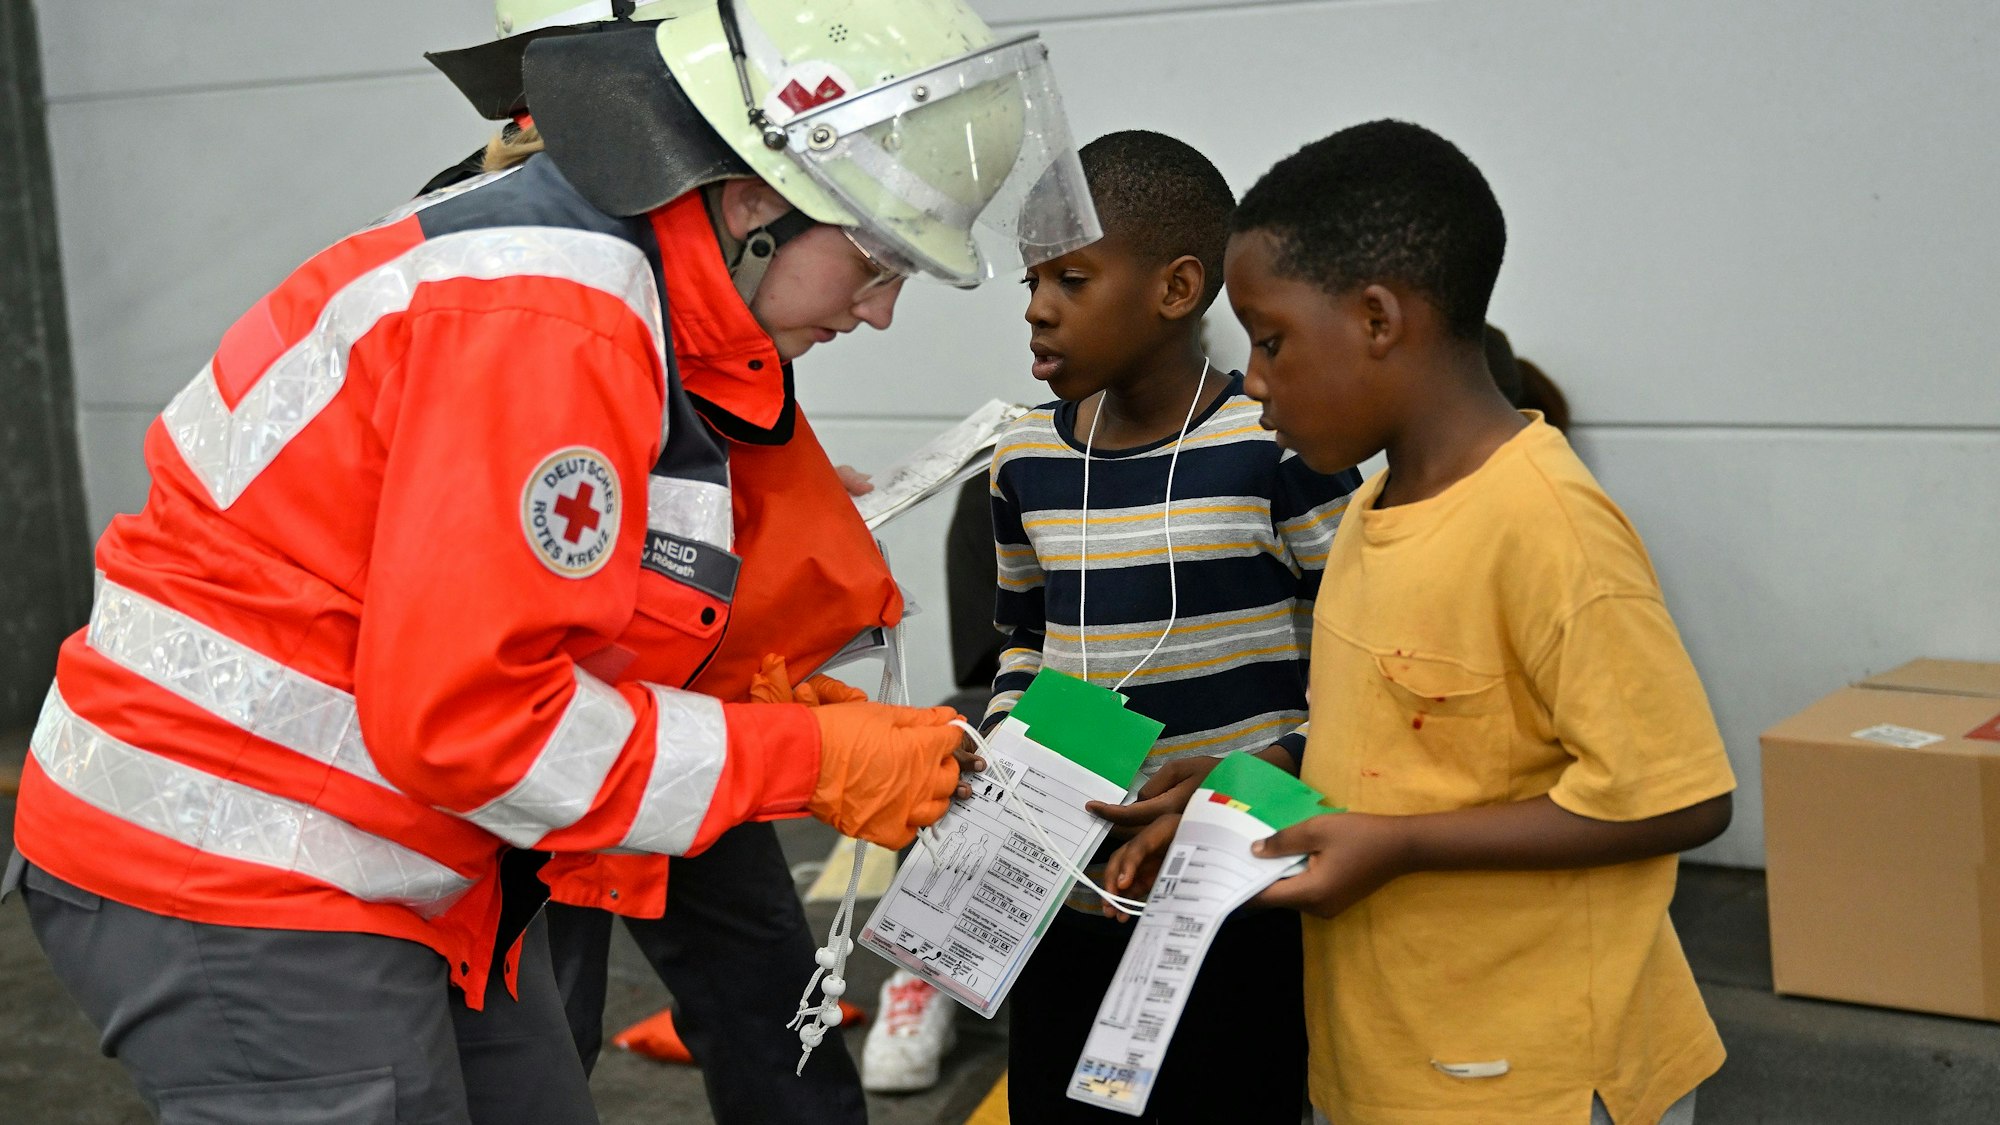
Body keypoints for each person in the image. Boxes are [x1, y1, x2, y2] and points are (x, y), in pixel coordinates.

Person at [2, 2, 1099, 1121]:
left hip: (400, 848)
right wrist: (803, 758)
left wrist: (756, 703)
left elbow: (517, 611)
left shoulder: (623, 293)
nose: (879, 311)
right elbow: (475, 718)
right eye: (874, 259)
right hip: (238, 863)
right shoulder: (552, 318)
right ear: (758, 201)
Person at [1107, 119, 1735, 1125]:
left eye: (1269, 341)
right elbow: (1407, 743)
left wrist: (1399, 846)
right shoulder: (1371, 507)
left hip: (1534, 1082)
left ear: (1374, 319)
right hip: (1387, 1065)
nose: (1253, 381)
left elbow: (1678, 800)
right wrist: (1260, 776)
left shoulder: (1546, 527)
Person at [988, 129, 1362, 1123]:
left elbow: (1362, 653)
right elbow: (1022, 635)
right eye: (1029, 280)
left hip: (1230, 889)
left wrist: (1276, 767)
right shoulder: (1022, 453)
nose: (1036, 306)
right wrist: (1005, 742)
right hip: (1063, 884)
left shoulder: (1276, 443)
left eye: (1071, 277)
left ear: (1175, 286)